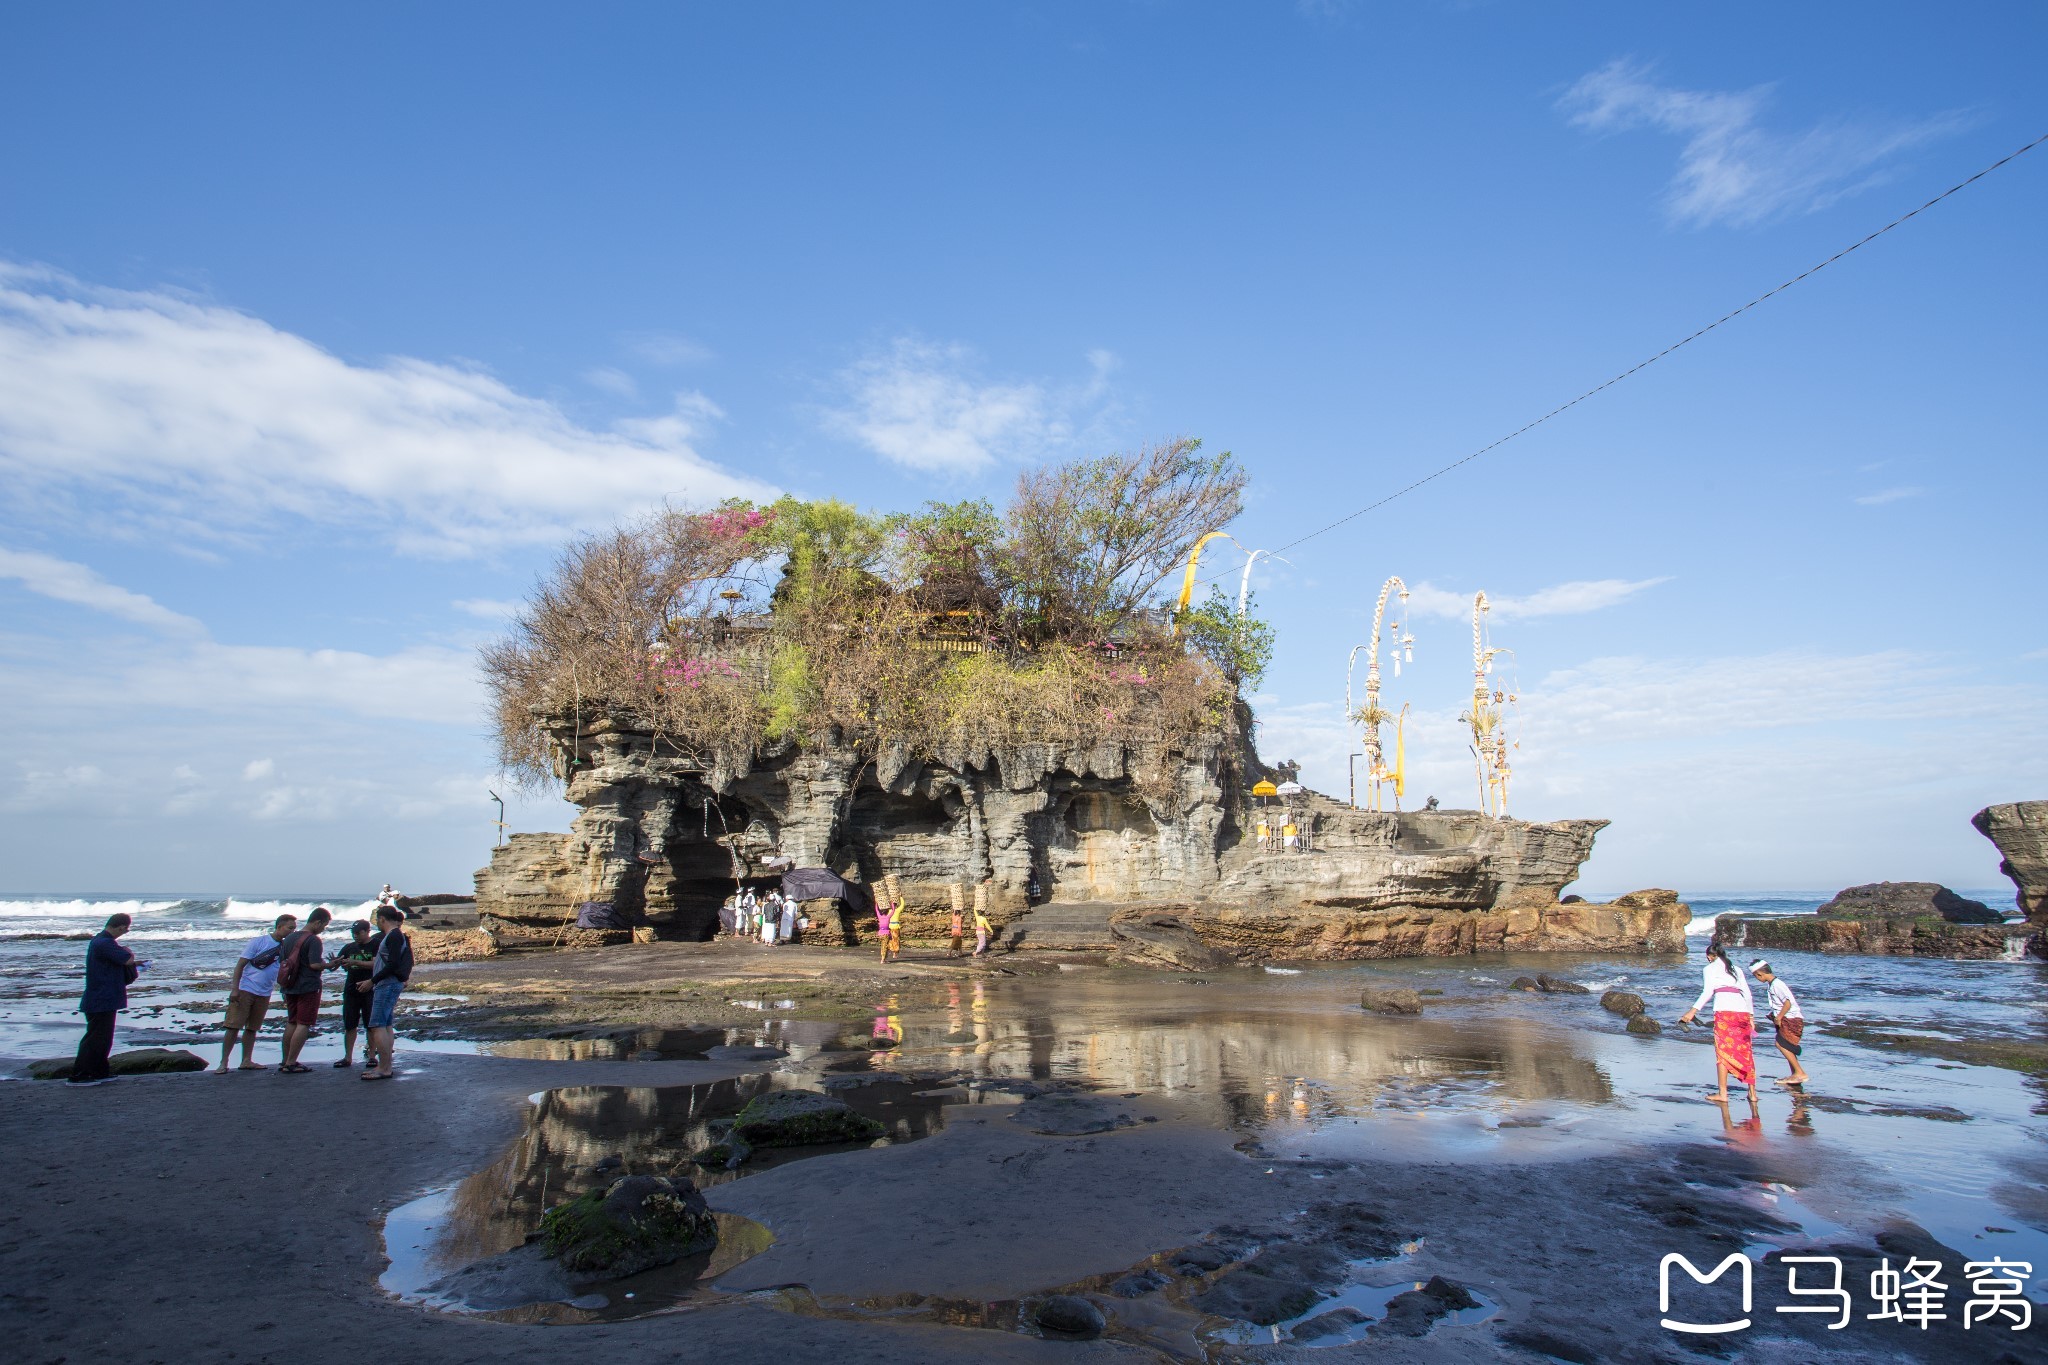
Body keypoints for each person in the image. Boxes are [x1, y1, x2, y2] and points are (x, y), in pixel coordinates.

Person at [1676, 940, 1758, 1106]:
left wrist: (1693, 1011)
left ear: (1710, 957)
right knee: (1745, 1051)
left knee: (1723, 1052)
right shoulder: (1737, 969)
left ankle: (1723, 1093)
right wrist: (1751, 1016)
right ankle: (1753, 1094)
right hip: (1742, 1011)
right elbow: (1747, 994)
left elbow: (1707, 992)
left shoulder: (1709, 968)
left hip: (1724, 1012)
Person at [218, 912, 297, 1073]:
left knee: (252, 1028)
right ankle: (224, 1062)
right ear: (279, 926)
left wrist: (284, 989)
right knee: (233, 1026)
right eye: (290, 928)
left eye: (294, 929)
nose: (292, 932)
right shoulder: (259, 942)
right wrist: (235, 989)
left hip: (265, 992)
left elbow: (283, 970)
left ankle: (246, 1060)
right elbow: (240, 965)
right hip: (246, 989)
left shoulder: (285, 948)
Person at [71, 912, 140, 1085]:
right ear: (122, 927)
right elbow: (127, 960)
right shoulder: (104, 943)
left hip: (102, 997)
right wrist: (128, 951)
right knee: (95, 1038)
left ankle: (99, 1071)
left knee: (103, 1038)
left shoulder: (99, 942)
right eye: (125, 930)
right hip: (101, 998)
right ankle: (81, 1074)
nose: (125, 933)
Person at [276, 907, 334, 1074]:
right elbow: (315, 964)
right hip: (308, 986)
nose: (323, 929)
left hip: (290, 985)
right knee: (303, 1023)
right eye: (324, 925)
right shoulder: (313, 940)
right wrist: (330, 965)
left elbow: (283, 961)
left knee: (291, 1022)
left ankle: (285, 1059)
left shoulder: (289, 938)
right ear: (318, 922)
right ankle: (292, 1062)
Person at [358, 906, 411, 1081]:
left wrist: (371, 981)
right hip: (389, 983)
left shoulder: (394, 935)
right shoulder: (396, 935)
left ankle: (384, 1067)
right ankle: (386, 1066)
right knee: (386, 1024)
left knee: (377, 1025)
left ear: (382, 919)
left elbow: (393, 964)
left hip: (387, 985)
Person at [1749, 959, 1810, 1089]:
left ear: (1760, 974)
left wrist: (1780, 1017)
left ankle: (1800, 1072)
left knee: (1781, 1044)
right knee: (1787, 1045)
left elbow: (1788, 1002)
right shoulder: (1772, 984)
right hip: (1785, 1018)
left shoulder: (1777, 985)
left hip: (1791, 1019)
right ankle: (1795, 1074)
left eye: (1755, 976)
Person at [329, 919, 379, 1068]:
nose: (355, 936)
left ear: (367, 931)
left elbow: (376, 964)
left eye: (358, 933)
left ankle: (372, 1056)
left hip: (370, 989)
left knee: (370, 1024)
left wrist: (355, 963)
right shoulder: (349, 947)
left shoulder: (375, 945)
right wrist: (334, 963)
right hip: (351, 989)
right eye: (353, 933)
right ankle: (348, 1057)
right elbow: (336, 965)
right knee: (350, 1024)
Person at [873, 896, 894, 963]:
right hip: (886, 934)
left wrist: (876, 903)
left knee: (883, 946)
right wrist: (891, 903)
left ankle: (884, 959)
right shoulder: (888, 917)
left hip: (880, 933)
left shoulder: (880, 917)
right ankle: (882, 960)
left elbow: (876, 910)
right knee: (885, 946)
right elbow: (893, 910)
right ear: (887, 912)